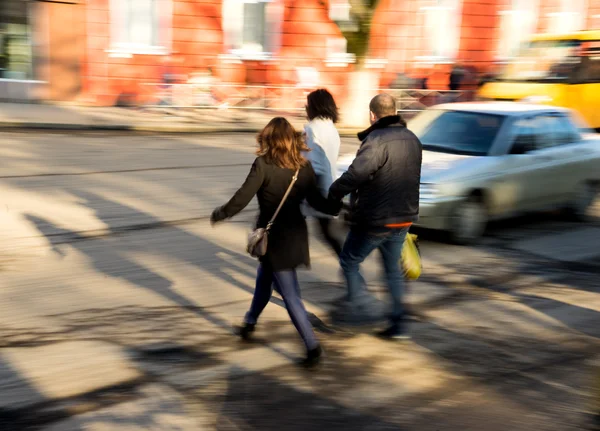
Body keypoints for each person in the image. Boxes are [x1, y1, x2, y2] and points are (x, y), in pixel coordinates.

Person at [211, 117, 340, 367]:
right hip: (294, 237)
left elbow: (242, 197)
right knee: (264, 281)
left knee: (290, 295)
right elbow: (317, 202)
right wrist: (338, 205)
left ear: (270, 139)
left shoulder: (263, 165)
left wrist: (221, 213)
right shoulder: (304, 168)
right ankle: (249, 323)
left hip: (274, 240)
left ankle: (312, 346)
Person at [328, 93, 422, 339]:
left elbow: (356, 174)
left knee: (349, 262)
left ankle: (361, 312)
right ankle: (399, 326)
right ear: (395, 111)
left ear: (372, 115)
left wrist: (334, 192)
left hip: (376, 219)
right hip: (403, 218)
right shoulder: (412, 139)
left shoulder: (376, 139)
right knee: (392, 270)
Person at [303, 89, 343, 257]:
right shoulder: (332, 128)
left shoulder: (311, 129)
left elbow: (307, 160)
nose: (305, 107)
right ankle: (350, 266)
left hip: (314, 187)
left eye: (308, 104)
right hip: (330, 186)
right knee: (328, 233)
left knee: (288, 228)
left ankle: (350, 266)